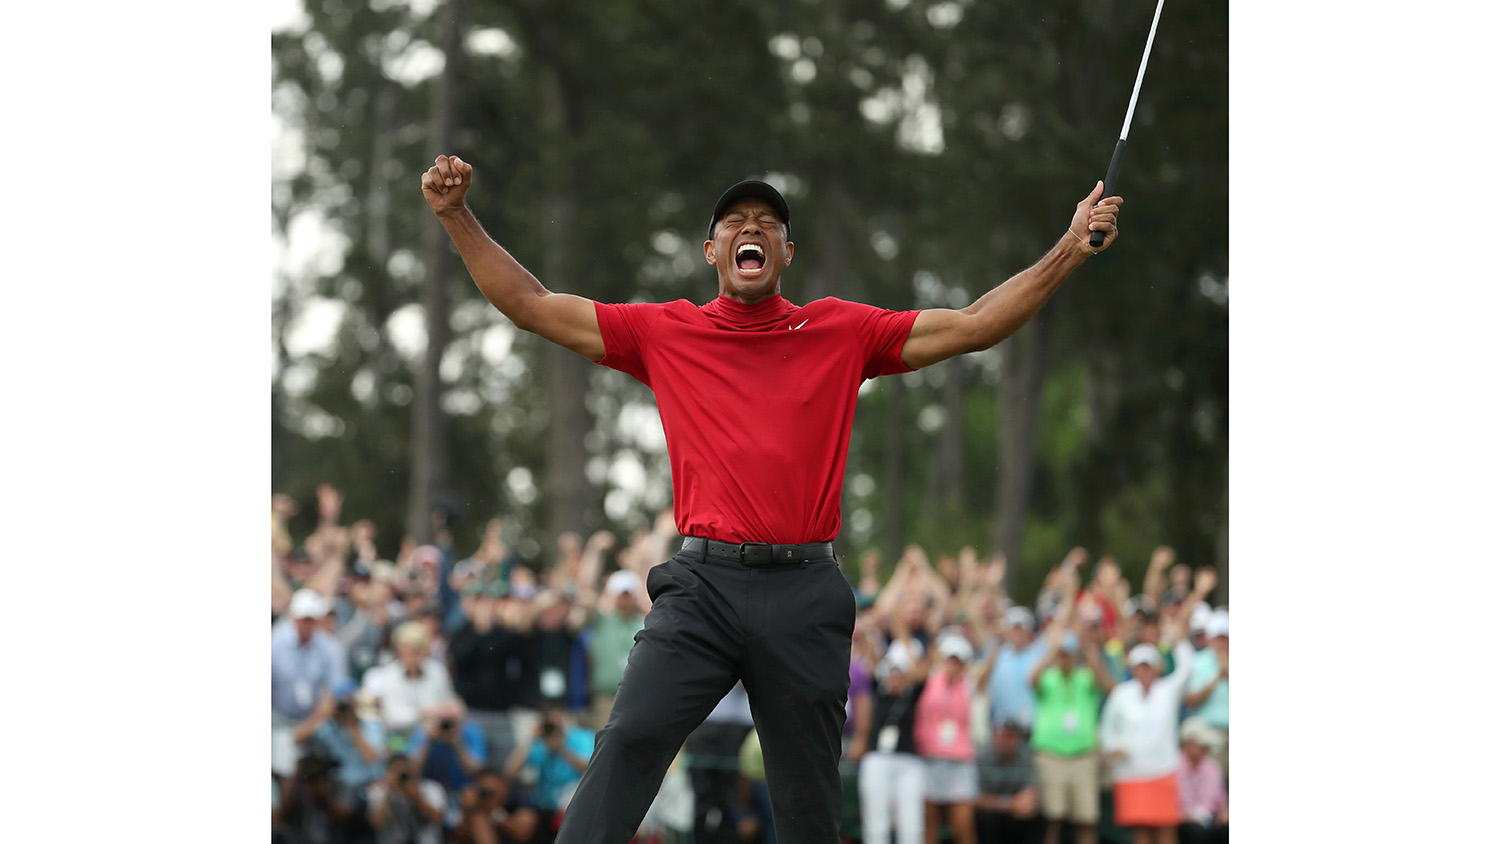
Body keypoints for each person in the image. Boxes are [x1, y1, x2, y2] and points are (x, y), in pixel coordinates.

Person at [421, 155, 1122, 844]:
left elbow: (973, 325)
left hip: (805, 589)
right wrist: (456, 215)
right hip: (702, 587)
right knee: (631, 734)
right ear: (711, 250)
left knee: (807, 797)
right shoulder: (665, 332)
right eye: (733, 221)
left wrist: (1068, 248)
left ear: (786, 251)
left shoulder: (842, 330)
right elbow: (530, 305)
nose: (749, 229)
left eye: (766, 222)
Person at [1028, 571, 1114, 844]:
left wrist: (1088, 648)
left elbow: (1109, 686)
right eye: (1062, 655)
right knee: (1051, 822)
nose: (1065, 659)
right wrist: (1052, 650)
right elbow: (1030, 679)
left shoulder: (1084, 677)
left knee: (1086, 821)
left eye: (1068, 654)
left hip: (1082, 757)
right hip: (1051, 756)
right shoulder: (1048, 677)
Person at [1098, 617, 1197, 844]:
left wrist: (1179, 640)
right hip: (1131, 772)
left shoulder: (1168, 690)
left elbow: (1187, 669)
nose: (1145, 671)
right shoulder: (1121, 694)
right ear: (1133, 669)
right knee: (1141, 833)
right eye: (1140, 666)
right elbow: (1107, 728)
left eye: (1149, 666)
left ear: (1157, 667)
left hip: (1164, 771)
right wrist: (1114, 747)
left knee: (1166, 832)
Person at [274, 589, 351, 779]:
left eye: (313, 619)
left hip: (315, 723)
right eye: (304, 618)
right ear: (294, 618)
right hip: (275, 721)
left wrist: (306, 728)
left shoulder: (330, 647)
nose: (308, 624)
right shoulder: (274, 643)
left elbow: (333, 694)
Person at [858, 645, 928, 844]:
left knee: (911, 822)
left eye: (900, 672)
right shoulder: (877, 691)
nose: (896, 676)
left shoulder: (914, 694)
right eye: (892, 671)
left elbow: (924, 671)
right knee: (876, 819)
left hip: (908, 760)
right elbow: (869, 662)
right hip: (878, 758)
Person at [914, 635, 980, 844]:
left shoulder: (970, 685)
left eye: (957, 661)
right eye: (950, 659)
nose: (953, 665)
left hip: (959, 760)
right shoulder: (929, 679)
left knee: (962, 826)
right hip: (930, 757)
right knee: (929, 823)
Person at [361, 620, 456, 742]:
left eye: (415, 651)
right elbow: (393, 718)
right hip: (398, 739)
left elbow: (448, 703)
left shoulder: (437, 671)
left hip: (435, 736)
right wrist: (425, 713)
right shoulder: (389, 675)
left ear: (424, 651)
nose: (410, 657)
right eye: (405, 651)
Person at [974, 718, 1042, 844]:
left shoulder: (1025, 754)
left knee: (1034, 815)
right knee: (985, 819)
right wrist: (1009, 804)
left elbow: (1031, 793)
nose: (1007, 741)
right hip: (991, 812)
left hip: (1015, 811)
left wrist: (1023, 803)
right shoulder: (982, 755)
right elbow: (975, 798)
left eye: (1012, 736)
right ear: (995, 735)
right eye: (1004, 735)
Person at [1183, 611, 1228, 773]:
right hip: (1207, 732)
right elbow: (1192, 700)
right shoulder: (1198, 661)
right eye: (1218, 638)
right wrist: (1218, 677)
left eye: (1226, 638)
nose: (1222, 643)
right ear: (1209, 639)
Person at [367, 755, 448, 844]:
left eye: (405, 771)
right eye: (395, 771)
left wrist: (417, 797)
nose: (400, 776)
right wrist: (389, 793)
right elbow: (376, 824)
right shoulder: (379, 790)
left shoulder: (431, 788)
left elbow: (438, 818)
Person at [454, 768, 542, 844]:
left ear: (503, 785)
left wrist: (495, 814)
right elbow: (459, 836)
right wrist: (469, 809)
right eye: (483, 792)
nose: (487, 796)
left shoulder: (519, 796)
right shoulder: (478, 809)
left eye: (489, 791)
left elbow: (523, 832)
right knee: (479, 817)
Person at [1174, 720, 1228, 844]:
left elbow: (1222, 802)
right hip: (1184, 823)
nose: (1205, 749)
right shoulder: (1172, 767)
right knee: (1195, 832)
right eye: (1202, 745)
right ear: (1188, 744)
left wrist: (1224, 812)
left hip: (1211, 819)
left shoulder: (1213, 767)